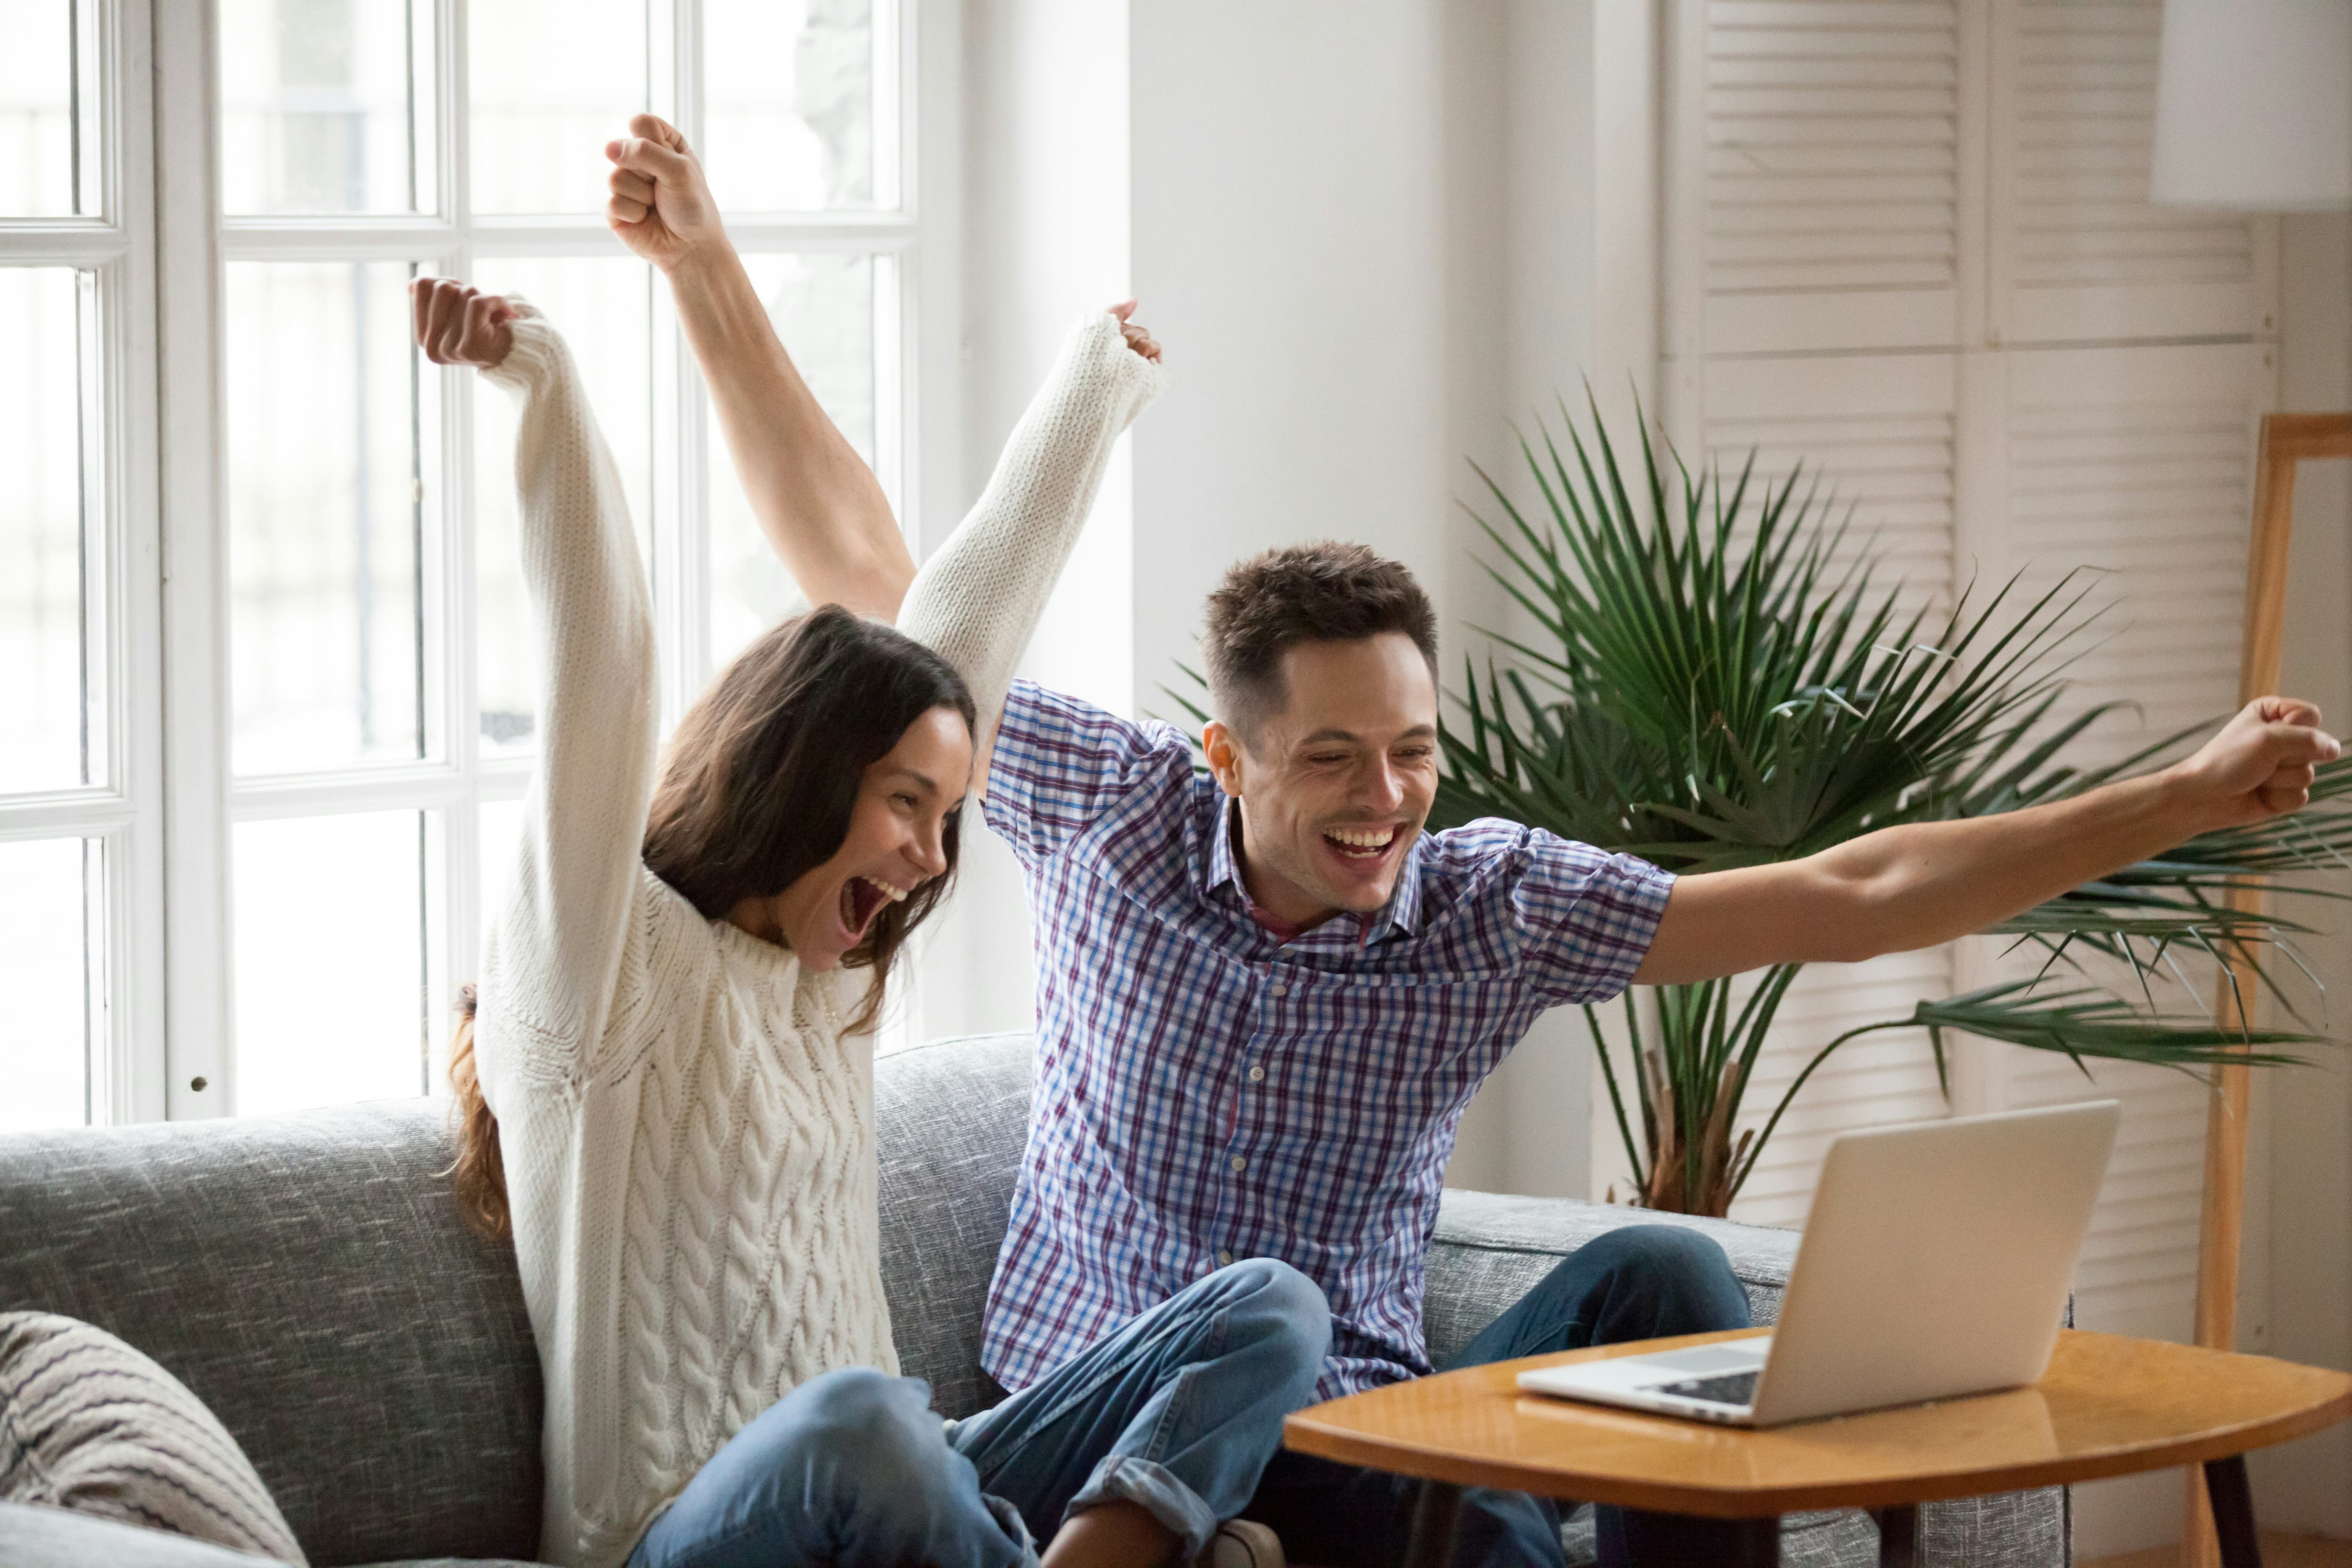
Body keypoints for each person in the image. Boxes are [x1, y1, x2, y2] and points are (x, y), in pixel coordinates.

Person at [611, 117, 2343, 1568]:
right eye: (1337, 763)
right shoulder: (1120, 810)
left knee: (1657, 1268)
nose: (1388, 803)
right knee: (1324, 1361)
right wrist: (705, 277)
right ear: (1230, 755)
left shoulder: (1487, 906)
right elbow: (879, 584)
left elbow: (1854, 892)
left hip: (1367, 1429)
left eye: (1418, 753)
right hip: (1110, 1422)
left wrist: (2179, 793)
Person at [423, 248, 1314, 1566]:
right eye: (908, 804)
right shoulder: (600, 976)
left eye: (949, 816)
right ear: (802, 770)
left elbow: (963, 638)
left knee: (1271, 1309)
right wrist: (539, 377)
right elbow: (600, 674)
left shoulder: (831, 975)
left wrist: (1094, 393)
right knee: (865, 1423)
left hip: (905, 1480)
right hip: (670, 1535)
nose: (932, 855)